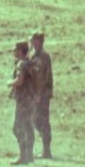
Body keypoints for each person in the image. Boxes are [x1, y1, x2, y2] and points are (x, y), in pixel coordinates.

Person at [8, 40, 36, 164]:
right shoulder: (30, 62)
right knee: (28, 126)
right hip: (30, 99)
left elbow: (19, 81)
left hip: (23, 100)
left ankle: (23, 156)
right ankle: (29, 155)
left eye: (15, 49)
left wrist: (9, 83)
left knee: (17, 127)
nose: (13, 51)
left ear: (20, 51)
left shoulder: (21, 64)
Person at [30, 30, 54, 160]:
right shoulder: (34, 54)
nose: (33, 43)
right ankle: (45, 149)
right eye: (32, 40)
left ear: (40, 41)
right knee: (35, 119)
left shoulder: (43, 56)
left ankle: (47, 150)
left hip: (42, 93)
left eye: (35, 40)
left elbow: (43, 77)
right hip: (36, 93)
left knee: (43, 120)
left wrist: (39, 93)